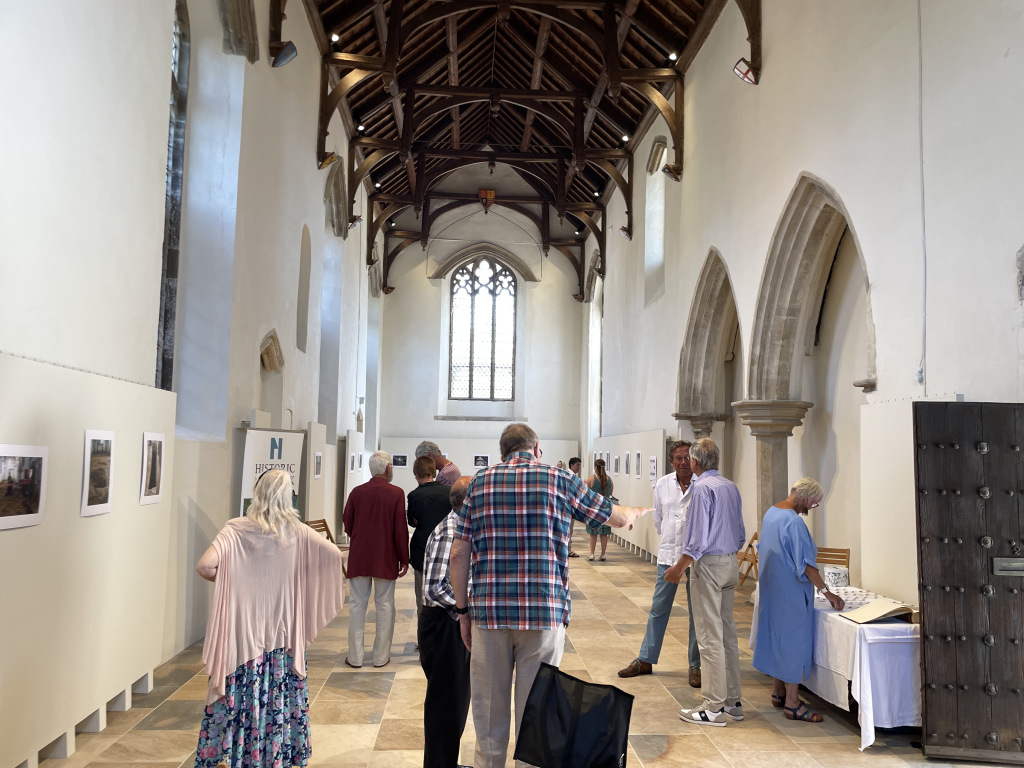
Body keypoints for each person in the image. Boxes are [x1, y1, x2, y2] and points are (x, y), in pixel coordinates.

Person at [449, 423, 650, 768]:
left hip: (489, 614)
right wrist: (636, 513)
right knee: (536, 717)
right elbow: (613, 516)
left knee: (489, 717)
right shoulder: (560, 479)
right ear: (536, 448)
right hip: (543, 612)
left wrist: (463, 612)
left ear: (502, 453)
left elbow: (458, 554)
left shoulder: (480, 482)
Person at [193, 469, 345, 768]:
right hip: (281, 633)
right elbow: (334, 556)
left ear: (257, 494)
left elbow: (206, 566)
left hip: (241, 635)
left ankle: (237, 756)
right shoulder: (297, 532)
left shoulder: (235, 529)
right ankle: (275, 756)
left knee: (241, 697)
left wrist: (236, 584)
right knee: (277, 695)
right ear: (288, 497)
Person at [665, 437, 745, 727]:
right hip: (730, 561)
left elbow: (696, 537)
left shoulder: (701, 489)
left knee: (709, 638)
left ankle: (712, 707)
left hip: (709, 565)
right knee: (727, 635)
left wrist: (679, 567)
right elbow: (739, 532)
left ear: (696, 462)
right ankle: (733, 702)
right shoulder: (730, 486)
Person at [753, 478, 845, 722]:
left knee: (777, 639)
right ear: (806, 498)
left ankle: (778, 692)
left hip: (773, 589)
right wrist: (828, 592)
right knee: (794, 642)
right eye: (813, 504)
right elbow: (806, 565)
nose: (811, 509)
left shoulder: (771, 513)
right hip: (791, 592)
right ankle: (793, 704)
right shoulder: (794, 523)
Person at [618, 441, 702, 687]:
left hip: (697, 559)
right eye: (678, 458)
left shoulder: (702, 485)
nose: (683, 462)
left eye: (687, 457)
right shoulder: (663, 484)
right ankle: (645, 659)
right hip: (668, 556)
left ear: (694, 459)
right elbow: (659, 521)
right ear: (671, 461)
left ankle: (695, 665)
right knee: (658, 609)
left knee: (697, 612)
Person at [419, 476, 474, 768]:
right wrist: (467, 606)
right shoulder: (450, 531)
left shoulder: (458, 527)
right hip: (443, 625)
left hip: (450, 622)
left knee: (454, 702)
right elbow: (434, 588)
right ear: (468, 502)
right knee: (445, 705)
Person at [343, 450, 409, 668]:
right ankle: (380, 657)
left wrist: (361, 539)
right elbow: (400, 530)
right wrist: (404, 558)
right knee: (385, 606)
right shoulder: (396, 493)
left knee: (356, 606)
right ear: (388, 468)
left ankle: (355, 657)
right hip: (385, 557)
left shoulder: (356, 492)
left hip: (360, 557)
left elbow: (348, 524)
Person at [407, 455, 454, 633]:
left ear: (416, 474)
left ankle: (424, 637)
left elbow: (412, 522)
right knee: (447, 592)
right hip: (446, 548)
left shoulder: (414, 495)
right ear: (433, 472)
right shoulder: (448, 491)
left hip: (422, 549)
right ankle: (444, 633)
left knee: (422, 597)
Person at [584, 458, 614, 560]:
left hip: (594, 508)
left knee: (593, 532)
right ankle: (603, 554)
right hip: (606, 508)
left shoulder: (591, 479)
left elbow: (586, 492)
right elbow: (610, 493)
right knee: (604, 532)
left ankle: (592, 553)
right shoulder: (609, 479)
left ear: (595, 467)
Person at [567, 457, 582, 557]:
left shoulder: (573, 476)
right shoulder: (569, 476)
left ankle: (568, 549)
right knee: (568, 529)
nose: (579, 467)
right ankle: (568, 550)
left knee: (570, 529)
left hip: (571, 507)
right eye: (577, 465)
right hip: (569, 507)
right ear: (571, 465)